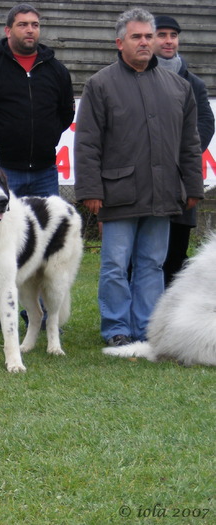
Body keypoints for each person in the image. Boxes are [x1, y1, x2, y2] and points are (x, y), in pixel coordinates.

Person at [74, 8, 203, 347]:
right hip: (117, 193)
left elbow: (190, 143)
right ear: (120, 43)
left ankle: (147, 327)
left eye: (149, 36)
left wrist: (192, 186)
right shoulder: (99, 85)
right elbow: (87, 142)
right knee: (115, 265)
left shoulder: (178, 87)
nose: (145, 42)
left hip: (163, 193)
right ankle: (116, 328)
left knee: (152, 264)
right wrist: (90, 190)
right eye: (137, 37)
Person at [0, 3, 75, 332]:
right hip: (5, 174)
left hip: (44, 168)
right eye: (22, 25)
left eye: (34, 24)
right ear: (8, 31)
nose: (30, 30)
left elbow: (65, 115)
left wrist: (42, 137)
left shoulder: (56, 70)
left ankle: (44, 319)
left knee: (42, 246)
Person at [152, 15, 215, 286]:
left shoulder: (195, 84)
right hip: (145, 181)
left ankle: (170, 314)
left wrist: (177, 155)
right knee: (143, 256)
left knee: (175, 255)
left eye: (173, 35)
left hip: (180, 181)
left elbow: (205, 125)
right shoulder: (136, 77)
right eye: (162, 34)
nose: (168, 41)